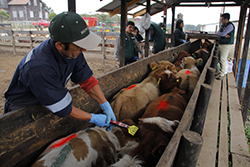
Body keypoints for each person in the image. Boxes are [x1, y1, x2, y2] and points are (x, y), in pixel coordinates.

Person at [4, 12, 116, 131]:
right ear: (60, 45)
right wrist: (93, 118)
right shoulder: (39, 68)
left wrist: (105, 105)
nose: (83, 49)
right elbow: (63, 108)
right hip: (24, 109)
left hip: (49, 100)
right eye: (79, 45)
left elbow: (87, 81)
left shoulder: (72, 52)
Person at [216, 13, 235, 80]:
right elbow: (218, 33)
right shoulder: (223, 25)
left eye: (222, 19)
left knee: (222, 58)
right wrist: (223, 35)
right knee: (220, 58)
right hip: (222, 43)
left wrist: (222, 34)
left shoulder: (230, 26)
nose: (221, 20)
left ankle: (222, 74)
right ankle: (220, 72)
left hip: (226, 44)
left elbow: (222, 33)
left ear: (226, 19)